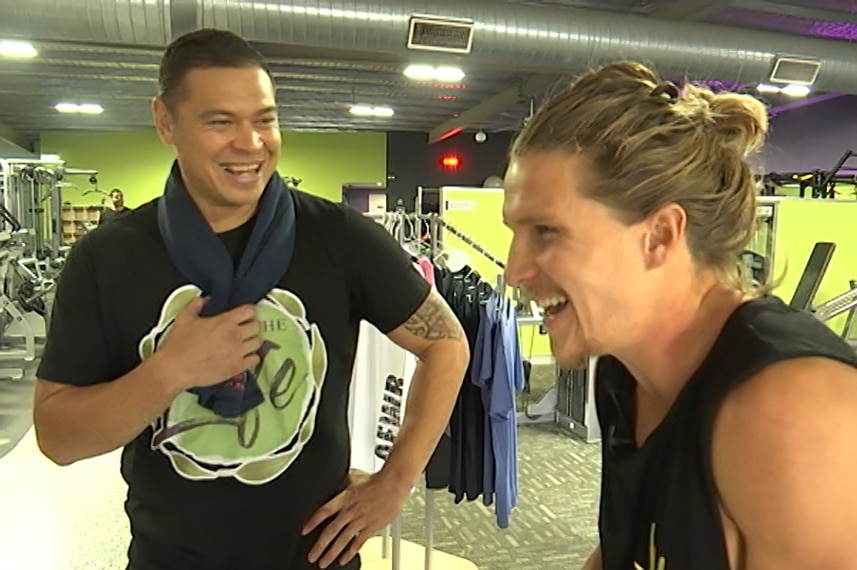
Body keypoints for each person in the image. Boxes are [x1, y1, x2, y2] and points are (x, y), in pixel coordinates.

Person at [33, 29, 469, 570]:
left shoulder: (340, 237)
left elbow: (448, 345)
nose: (251, 143)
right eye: (221, 122)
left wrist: (394, 482)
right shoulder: (107, 258)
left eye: (264, 119)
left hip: (316, 558)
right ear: (165, 122)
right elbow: (57, 437)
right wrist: (171, 370)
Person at [502, 62, 857, 570]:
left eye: (547, 232)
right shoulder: (623, 370)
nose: (515, 270)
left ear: (661, 236)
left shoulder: (791, 414)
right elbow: (633, 545)